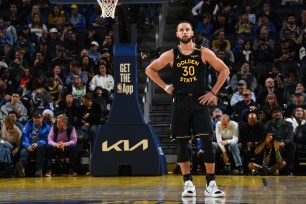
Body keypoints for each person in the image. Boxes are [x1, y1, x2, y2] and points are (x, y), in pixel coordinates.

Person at [145, 21, 229, 198]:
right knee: (183, 144)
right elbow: (149, 69)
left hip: (199, 103)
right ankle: (188, 183)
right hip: (180, 103)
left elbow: (225, 70)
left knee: (207, 142)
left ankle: (210, 183)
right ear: (177, 34)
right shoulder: (171, 54)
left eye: (187, 29)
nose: (184, 32)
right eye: (181, 30)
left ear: (192, 33)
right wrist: (166, 86)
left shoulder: (203, 52)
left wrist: (213, 92)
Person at [16, 111, 51, 177]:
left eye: (39, 118)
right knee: (23, 152)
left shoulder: (47, 126)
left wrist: (37, 144)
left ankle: (39, 170)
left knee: (41, 149)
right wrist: (28, 145)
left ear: (42, 118)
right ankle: (22, 168)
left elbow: (46, 138)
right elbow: (24, 136)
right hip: (29, 145)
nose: (37, 119)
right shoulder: (28, 125)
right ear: (33, 118)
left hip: (40, 145)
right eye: (35, 118)